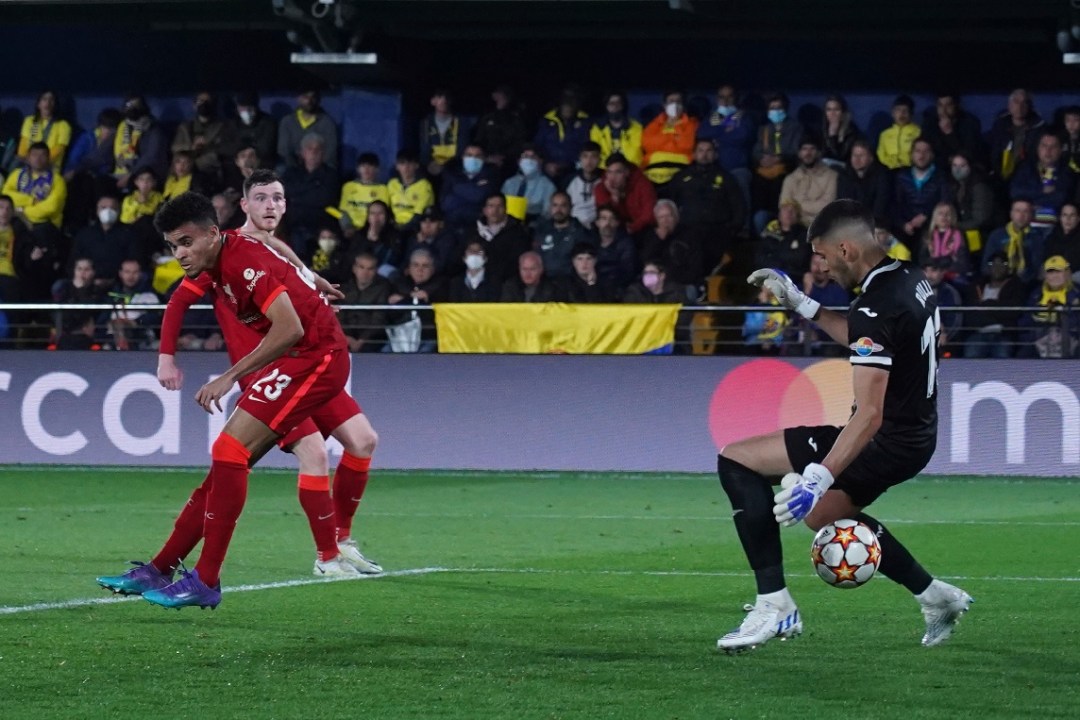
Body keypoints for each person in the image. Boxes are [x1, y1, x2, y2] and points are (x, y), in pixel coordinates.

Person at [97, 188, 379, 609]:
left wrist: (229, 377)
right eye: (173, 246)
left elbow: (290, 328)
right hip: (295, 360)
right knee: (225, 469)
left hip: (316, 358)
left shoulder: (241, 263)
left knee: (232, 451)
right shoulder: (217, 258)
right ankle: (161, 568)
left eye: (186, 242)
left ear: (212, 234)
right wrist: (307, 277)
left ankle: (210, 578)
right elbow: (268, 249)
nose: (180, 254)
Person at [717, 198, 972, 653]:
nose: (821, 267)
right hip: (914, 435)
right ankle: (935, 596)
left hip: (886, 439)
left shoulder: (876, 304)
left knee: (738, 461)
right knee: (823, 516)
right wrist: (803, 304)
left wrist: (818, 476)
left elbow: (869, 414)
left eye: (822, 256)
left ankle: (774, 604)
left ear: (846, 249)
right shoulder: (908, 276)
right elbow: (868, 336)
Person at [668, 138, 745, 275]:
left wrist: (733, 228)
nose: (704, 154)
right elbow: (669, 203)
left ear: (715, 154)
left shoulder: (726, 178)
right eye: (701, 150)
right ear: (694, 154)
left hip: (717, 230)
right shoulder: (681, 177)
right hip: (687, 229)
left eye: (709, 151)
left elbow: (738, 204)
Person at [964, 252, 1025, 359]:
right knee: (971, 355)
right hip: (979, 333)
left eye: (1002, 264)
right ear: (988, 267)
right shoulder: (977, 286)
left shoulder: (1015, 285)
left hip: (1003, 334)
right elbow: (970, 313)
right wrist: (996, 312)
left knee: (1002, 356)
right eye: (993, 264)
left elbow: (1013, 312)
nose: (997, 268)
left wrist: (987, 306)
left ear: (1008, 268)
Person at [1018, 255, 1080, 358]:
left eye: (1058, 271)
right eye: (1050, 272)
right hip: (1040, 340)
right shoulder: (1036, 295)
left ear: (1067, 273)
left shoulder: (1077, 293)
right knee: (1023, 355)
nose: (1054, 276)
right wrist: (1035, 339)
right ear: (1045, 275)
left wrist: (1070, 337)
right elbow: (1025, 321)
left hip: (1072, 341)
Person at [171, 91, 232, 185]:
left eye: (207, 101)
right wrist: (191, 146)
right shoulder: (185, 127)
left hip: (210, 173)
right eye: (201, 101)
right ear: (194, 105)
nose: (204, 104)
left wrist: (197, 163)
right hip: (185, 173)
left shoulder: (222, 127)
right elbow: (175, 147)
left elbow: (223, 151)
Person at [641, 89, 699, 186]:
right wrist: (673, 137)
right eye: (671, 101)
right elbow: (648, 145)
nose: (675, 105)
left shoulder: (691, 124)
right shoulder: (654, 124)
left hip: (682, 175)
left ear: (683, 105)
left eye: (678, 102)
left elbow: (686, 146)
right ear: (665, 105)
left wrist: (665, 139)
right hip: (653, 175)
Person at [3, 141, 67, 229]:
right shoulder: (17, 174)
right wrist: (31, 201)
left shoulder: (58, 181)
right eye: (34, 155)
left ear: (48, 158)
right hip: (16, 218)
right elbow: (6, 195)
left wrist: (22, 211)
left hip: (43, 223)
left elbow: (52, 208)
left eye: (42, 155)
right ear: (28, 158)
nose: (38, 159)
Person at [778, 134, 838, 227]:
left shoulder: (832, 176)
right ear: (799, 153)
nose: (808, 153)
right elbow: (784, 207)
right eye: (804, 149)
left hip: (820, 227)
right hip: (795, 227)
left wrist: (797, 204)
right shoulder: (790, 179)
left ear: (819, 152)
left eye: (812, 149)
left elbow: (827, 207)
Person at [982, 198, 1044, 286]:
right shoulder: (997, 235)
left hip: (1027, 284)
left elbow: (1037, 265)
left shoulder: (1036, 237)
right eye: (1017, 211)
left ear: (1031, 215)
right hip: (999, 282)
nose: (1021, 216)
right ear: (1011, 214)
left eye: (1025, 211)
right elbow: (986, 265)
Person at [532, 191, 592, 280]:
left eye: (563, 205)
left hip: (571, 282)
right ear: (550, 208)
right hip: (543, 281)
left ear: (570, 208)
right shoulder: (541, 230)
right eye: (555, 205)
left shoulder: (580, 232)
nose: (558, 210)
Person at [340, 250, 391, 353]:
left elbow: (378, 319)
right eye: (361, 267)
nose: (365, 273)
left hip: (371, 340)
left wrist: (361, 341)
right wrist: (347, 338)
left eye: (370, 269)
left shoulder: (383, 289)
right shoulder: (344, 289)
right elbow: (338, 316)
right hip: (345, 337)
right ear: (354, 269)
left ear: (376, 271)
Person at [593, 153, 656, 237]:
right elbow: (606, 217)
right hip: (614, 231)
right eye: (609, 172)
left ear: (627, 172)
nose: (612, 178)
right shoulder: (601, 188)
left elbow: (649, 215)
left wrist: (632, 227)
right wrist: (615, 197)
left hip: (641, 230)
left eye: (618, 172)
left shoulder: (643, 185)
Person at [471, 85, 528, 175]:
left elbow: (521, 142)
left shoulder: (518, 119)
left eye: (503, 95)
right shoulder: (486, 118)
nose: (499, 97)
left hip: (511, 164)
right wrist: (487, 157)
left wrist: (504, 157)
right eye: (497, 94)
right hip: (487, 163)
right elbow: (479, 141)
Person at [278, 89, 338, 170]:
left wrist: (313, 166)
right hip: (292, 167)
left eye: (313, 97)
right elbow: (283, 150)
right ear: (299, 98)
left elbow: (330, 153)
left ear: (318, 100)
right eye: (305, 97)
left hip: (318, 167)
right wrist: (296, 168)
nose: (309, 101)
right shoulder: (287, 121)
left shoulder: (327, 123)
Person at [836, 139, 891, 221]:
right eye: (854, 155)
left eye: (861, 155)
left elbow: (880, 205)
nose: (857, 159)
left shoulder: (882, 175)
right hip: (850, 222)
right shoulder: (845, 175)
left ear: (871, 158)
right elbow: (843, 203)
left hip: (875, 222)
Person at [16, 90, 71, 170]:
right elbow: (23, 145)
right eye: (44, 99)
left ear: (55, 105)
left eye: (51, 100)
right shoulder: (31, 121)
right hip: (28, 166)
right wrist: (27, 160)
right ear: (38, 104)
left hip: (50, 169)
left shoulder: (62, 125)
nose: (47, 103)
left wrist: (39, 162)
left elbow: (59, 149)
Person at [420, 89, 469, 179]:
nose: (444, 100)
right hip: (433, 168)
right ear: (433, 101)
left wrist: (447, 166)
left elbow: (462, 148)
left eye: (447, 97)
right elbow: (424, 149)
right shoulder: (426, 123)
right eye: (439, 97)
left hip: (455, 166)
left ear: (451, 101)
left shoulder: (461, 121)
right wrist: (430, 164)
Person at [501, 145, 556, 224]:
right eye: (525, 156)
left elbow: (548, 214)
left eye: (533, 157)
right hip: (507, 224)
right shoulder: (509, 183)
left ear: (540, 161)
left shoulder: (548, 186)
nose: (529, 160)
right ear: (519, 161)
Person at [589, 91, 644, 168]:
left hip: (629, 169)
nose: (615, 106)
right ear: (606, 106)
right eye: (611, 103)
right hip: (604, 170)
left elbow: (635, 154)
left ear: (623, 105)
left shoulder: (636, 127)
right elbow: (596, 153)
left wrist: (623, 169)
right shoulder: (597, 128)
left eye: (618, 103)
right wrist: (610, 169)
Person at [337, 152, 390, 232]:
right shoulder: (348, 186)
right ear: (358, 169)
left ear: (377, 169)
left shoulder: (383, 189)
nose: (366, 169)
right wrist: (347, 227)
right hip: (350, 229)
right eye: (363, 166)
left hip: (373, 230)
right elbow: (343, 211)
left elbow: (382, 214)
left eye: (370, 166)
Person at [387, 149, 434, 230]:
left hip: (416, 228)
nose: (406, 167)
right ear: (397, 166)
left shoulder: (424, 186)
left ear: (416, 165)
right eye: (402, 163)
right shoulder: (392, 184)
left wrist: (403, 229)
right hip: (394, 226)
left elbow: (419, 215)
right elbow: (385, 208)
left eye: (410, 163)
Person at [592, 204, 635, 292]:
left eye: (612, 219)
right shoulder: (590, 242)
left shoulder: (626, 243)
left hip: (618, 290)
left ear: (617, 223)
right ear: (597, 222)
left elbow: (628, 272)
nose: (608, 223)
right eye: (604, 218)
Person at [564, 142, 603, 229]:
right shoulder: (569, 180)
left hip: (598, 227)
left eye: (594, 157)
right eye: (585, 156)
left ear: (600, 159)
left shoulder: (605, 179)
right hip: (573, 227)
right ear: (580, 159)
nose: (589, 161)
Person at [876, 94, 920, 170]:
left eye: (905, 110)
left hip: (911, 169)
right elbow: (881, 155)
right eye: (898, 110)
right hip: (889, 170)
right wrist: (891, 164)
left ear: (911, 113)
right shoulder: (885, 134)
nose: (901, 114)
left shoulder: (918, 132)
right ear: (893, 113)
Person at [820, 94, 861, 168]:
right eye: (829, 110)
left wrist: (833, 136)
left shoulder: (852, 131)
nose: (832, 113)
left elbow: (840, 156)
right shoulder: (821, 129)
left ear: (843, 112)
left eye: (836, 109)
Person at [621, 259, 687, 304]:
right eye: (645, 273)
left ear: (662, 276)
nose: (647, 275)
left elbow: (685, 315)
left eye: (651, 272)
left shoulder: (675, 293)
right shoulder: (635, 292)